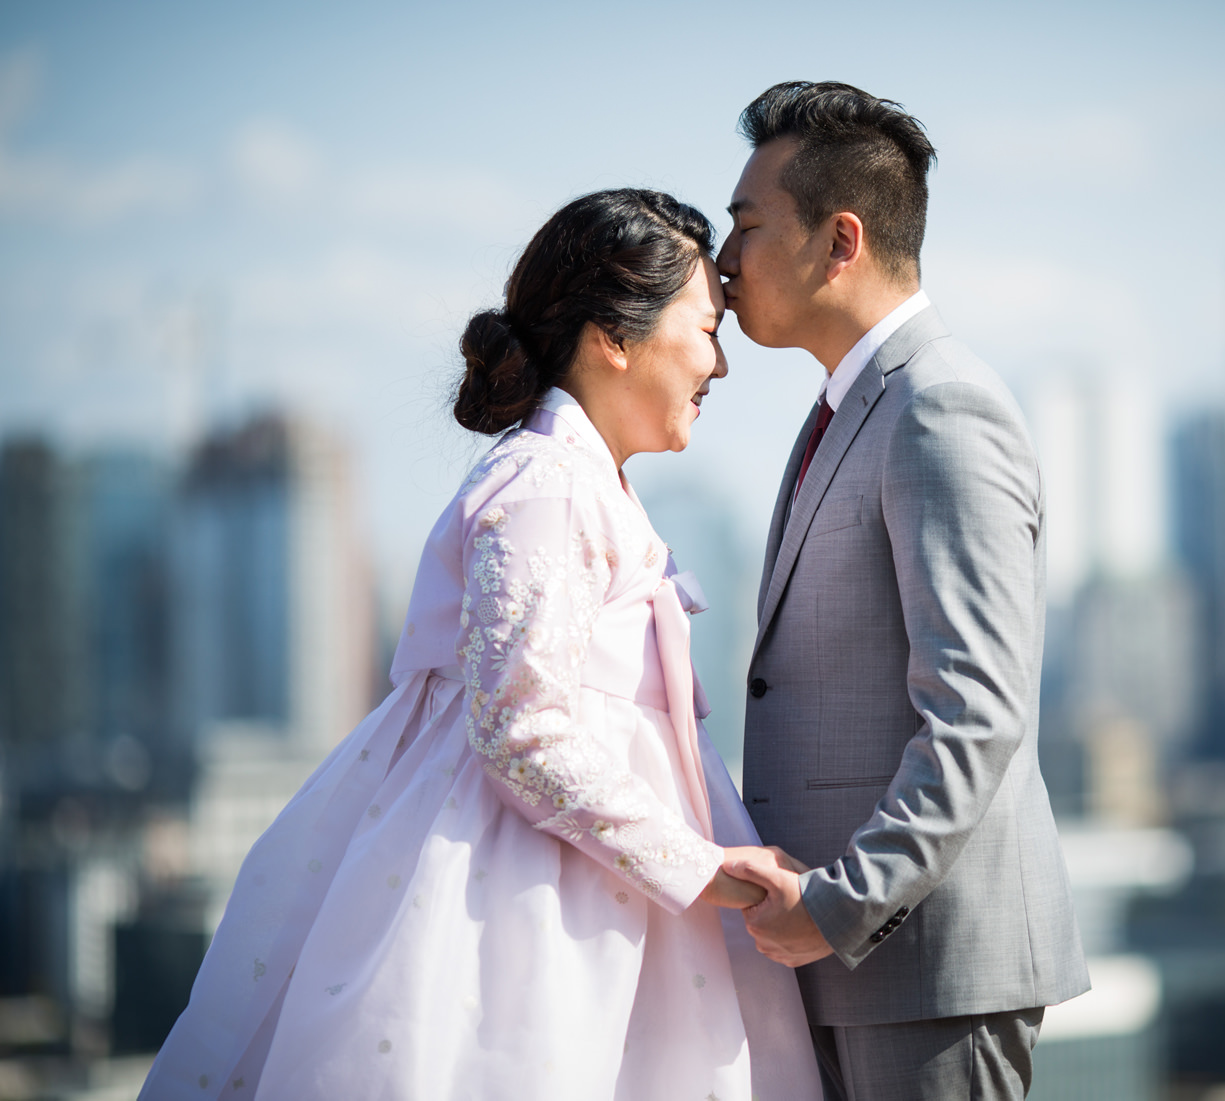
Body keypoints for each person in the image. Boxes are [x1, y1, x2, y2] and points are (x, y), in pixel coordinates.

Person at [140, 188, 820, 1101]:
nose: (721, 364)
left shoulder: (582, 482)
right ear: (612, 338)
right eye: (705, 330)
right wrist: (701, 868)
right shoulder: (545, 484)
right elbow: (520, 726)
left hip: (592, 875)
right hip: (529, 890)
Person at [715, 82, 1091, 1101]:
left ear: (839, 242)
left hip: (927, 970)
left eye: (745, 227)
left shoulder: (941, 406)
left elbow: (975, 715)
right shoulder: (845, 410)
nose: (722, 261)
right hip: (853, 966)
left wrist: (837, 906)